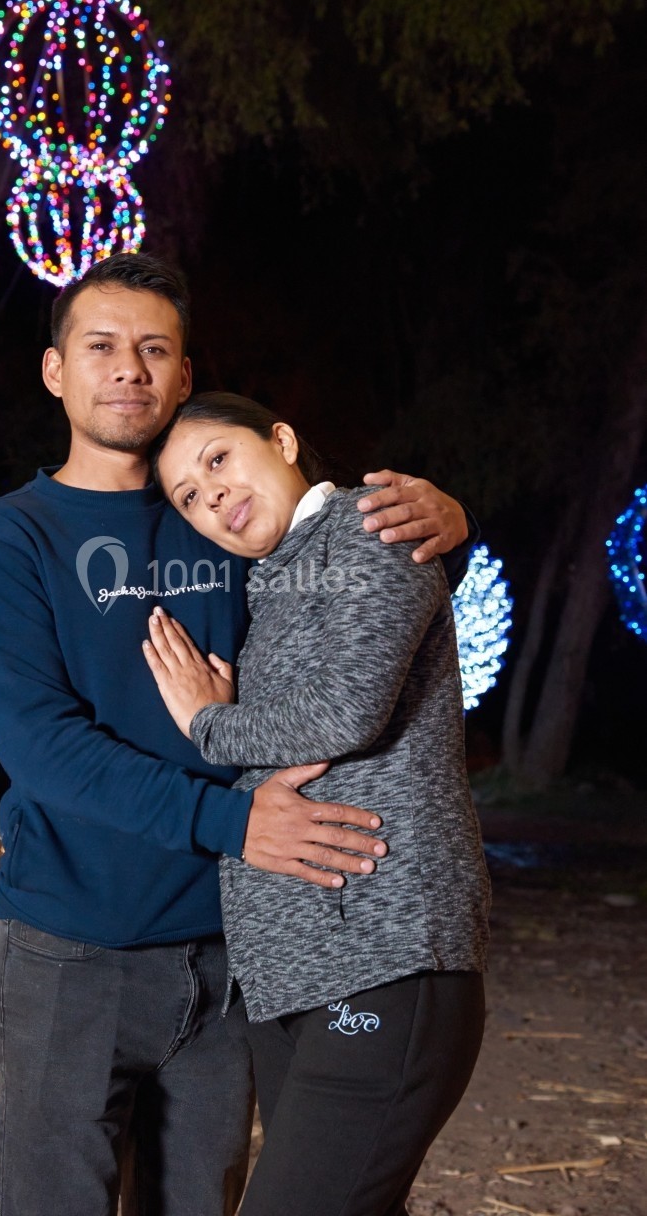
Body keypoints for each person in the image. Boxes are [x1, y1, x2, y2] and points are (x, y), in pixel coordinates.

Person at [0, 253, 477, 1216]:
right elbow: (43, 748)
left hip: (232, 960)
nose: (129, 368)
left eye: (155, 349)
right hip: (72, 948)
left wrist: (445, 527)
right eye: (101, 346)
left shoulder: (221, 517)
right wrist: (233, 823)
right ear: (56, 370)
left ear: (185, 374)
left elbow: (346, 587)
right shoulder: (5, 539)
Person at [143, 391, 491, 1216]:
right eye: (188, 496)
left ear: (284, 440)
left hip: (384, 959)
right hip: (294, 977)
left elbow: (344, 710)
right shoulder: (273, 581)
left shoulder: (373, 527)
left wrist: (208, 723)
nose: (211, 494)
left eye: (218, 459)